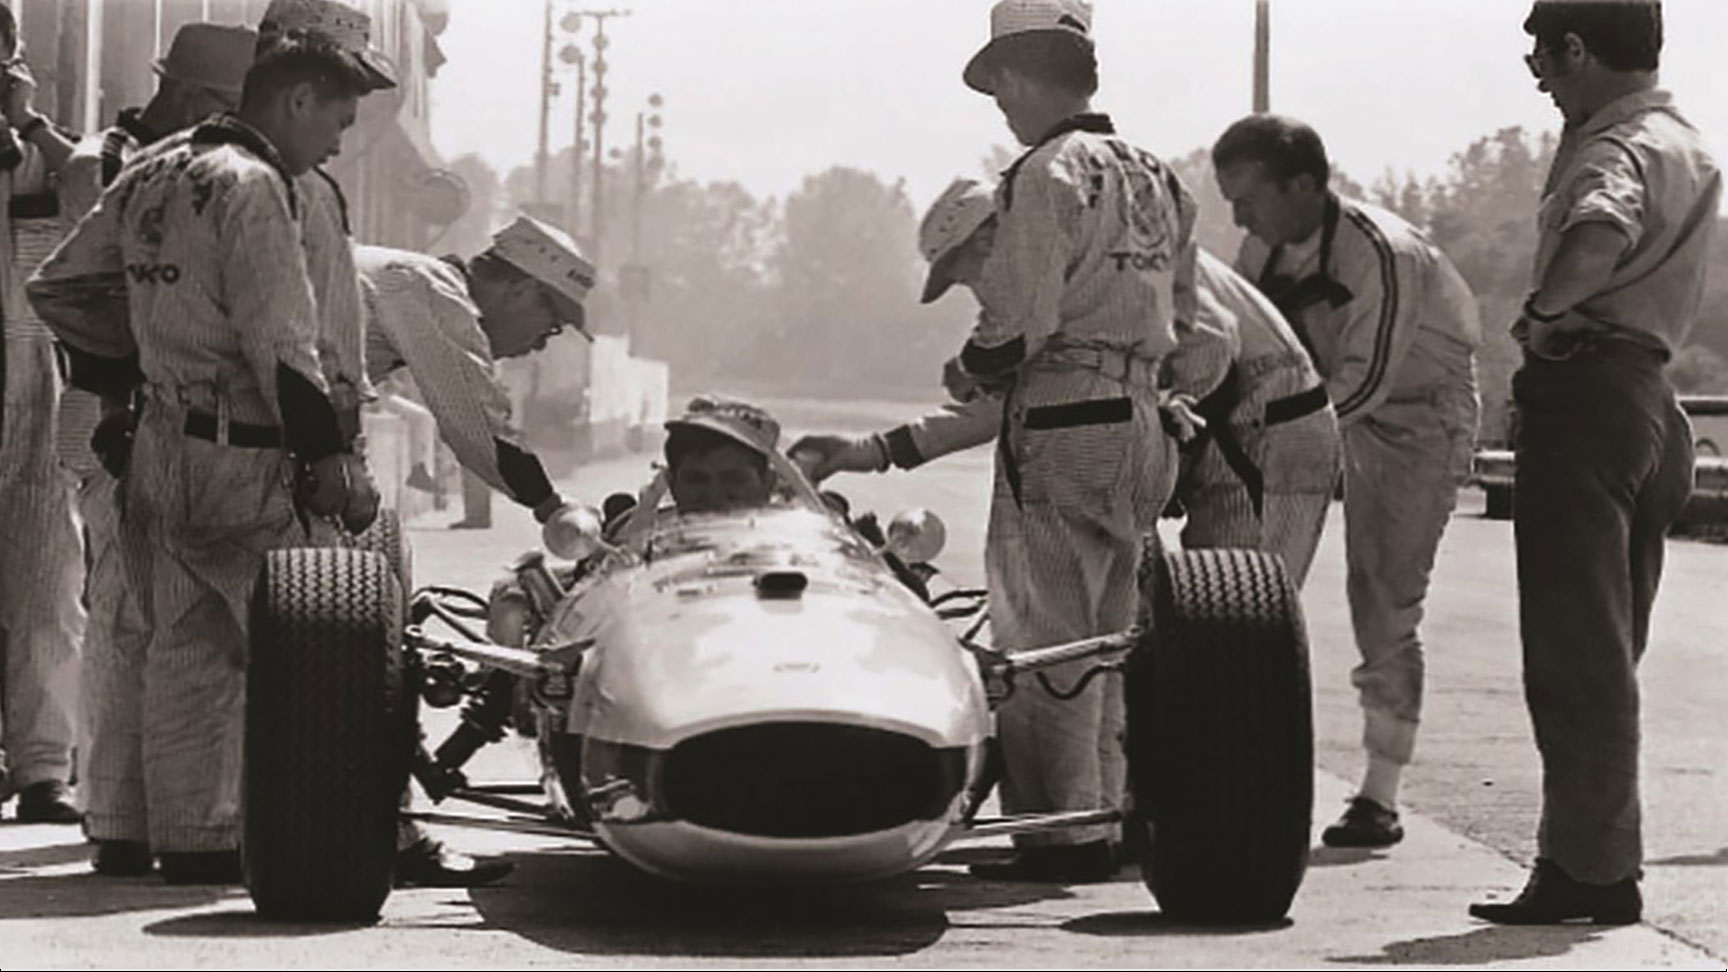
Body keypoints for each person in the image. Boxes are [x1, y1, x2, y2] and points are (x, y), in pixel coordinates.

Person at [27, 18, 386, 885]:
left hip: (157, 442)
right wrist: (332, 457)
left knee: (165, 638)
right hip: (250, 452)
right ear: (295, 101)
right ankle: (244, 835)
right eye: (335, 123)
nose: (337, 143)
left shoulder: (153, 169)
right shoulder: (258, 186)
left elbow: (64, 286)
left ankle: (154, 830)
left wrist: (119, 384)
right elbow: (283, 341)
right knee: (298, 653)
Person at [1470, 0, 1716, 925]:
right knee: (1610, 651)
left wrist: (1542, 312)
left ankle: (1589, 870)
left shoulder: (1613, 144)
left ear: (1576, 48)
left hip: (1586, 392)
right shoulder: (1685, 139)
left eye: (1543, 54)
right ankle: (1593, 856)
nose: (1538, 75)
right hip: (1653, 398)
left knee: (1575, 657)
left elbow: (1600, 227)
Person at [800, 181, 1341, 592]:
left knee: (1233, 619)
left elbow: (1210, 348)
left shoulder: (1090, 256)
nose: (971, 289)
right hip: (1226, 428)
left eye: (966, 271)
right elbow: (997, 409)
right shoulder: (1040, 288)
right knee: (1170, 622)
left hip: (1269, 424)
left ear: (993, 236)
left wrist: (1152, 440)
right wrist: (864, 453)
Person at [944, 0, 1191, 883]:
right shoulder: (1159, 175)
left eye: (999, 88)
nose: (1000, 107)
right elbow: (1191, 321)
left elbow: (1019, 320)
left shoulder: (1043, 173)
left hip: (1063, 416)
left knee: (1042, 635)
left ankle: (1059, 838)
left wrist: (969, 369)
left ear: (1018, 77)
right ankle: (1114, 817)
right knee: (1113, 637)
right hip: (1145, 417)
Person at [1212, 114, 1481, 848]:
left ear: (1303, 185)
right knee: (1242, 587)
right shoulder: (1259, 247)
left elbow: (1367, 381)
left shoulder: (1382, 253)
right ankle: (1216, 769)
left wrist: (1273, 433)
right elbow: (1239, 344)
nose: (1239, 217)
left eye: (1249, 199)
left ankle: (1379, 796)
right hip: (1311, 413)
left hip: (1413, 422)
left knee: (1382, 598)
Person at [47, 20, 258, 875]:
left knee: (140, 609)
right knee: (134, 609)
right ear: (206, 99)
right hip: (117, 405)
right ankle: (131, 817)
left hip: (136, 407)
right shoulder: (112, 166)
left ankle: (132, 816)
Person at [356, 215, 595, 535]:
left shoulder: (423, 282)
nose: (538, 345)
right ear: (520, 291)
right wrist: (553, 508)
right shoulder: (434, 293)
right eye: (550, 327)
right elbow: (480, 429)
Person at [0, 4, 91, 825]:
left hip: (30, 391)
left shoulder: (40, 156)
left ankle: (42, 768)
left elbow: (104, 201)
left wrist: (31, 127)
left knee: (46, 583)